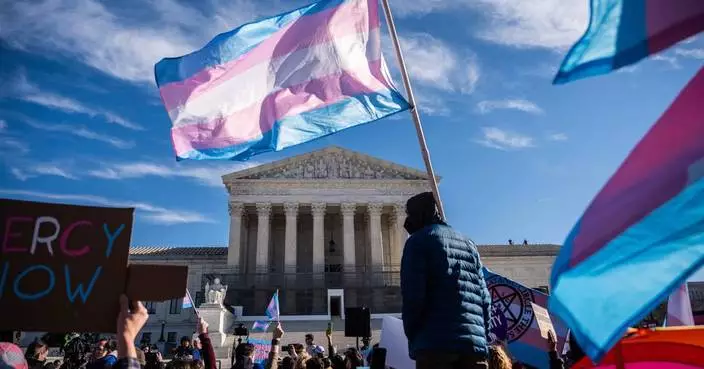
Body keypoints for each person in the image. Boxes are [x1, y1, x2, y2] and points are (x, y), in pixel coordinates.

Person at [401, 192, 492, 369]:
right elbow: (485, 299)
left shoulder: (417, 241)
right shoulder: (469, 244)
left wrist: (413, 335)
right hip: (473, 347)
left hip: (434, 344)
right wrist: (481, 335)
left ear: (420, 214)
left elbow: (413, 296)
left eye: (410, 215)